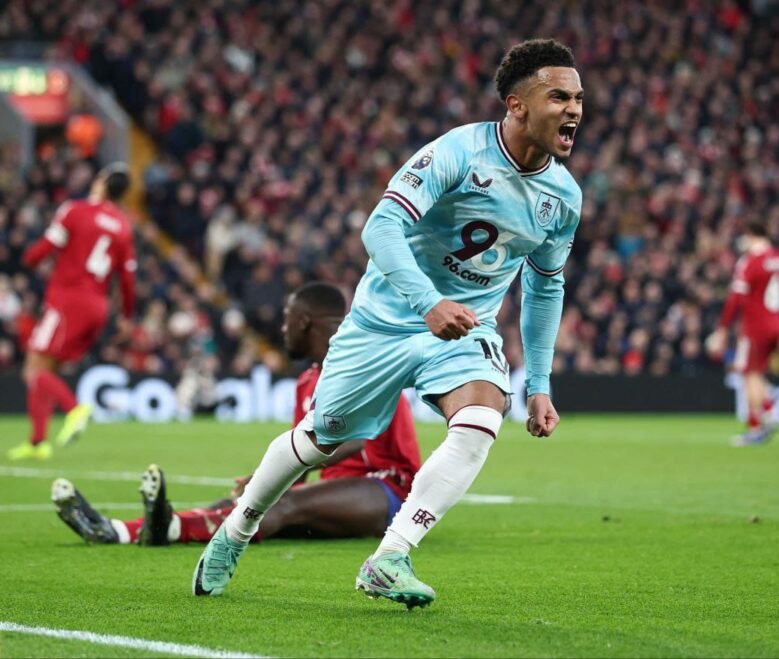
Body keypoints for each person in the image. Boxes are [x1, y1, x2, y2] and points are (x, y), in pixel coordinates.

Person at [191, 38, 583, 608]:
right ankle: (238, 528)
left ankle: (391, 556)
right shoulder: (459, 153)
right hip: (383, 324)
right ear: (517, 105)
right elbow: (379, 227)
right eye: (559, 97)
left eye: (577, 98)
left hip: (465, 329)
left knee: (481, 417)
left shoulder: (564, 197)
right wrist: (428, 303)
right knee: (319, 440)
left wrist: (540, 383)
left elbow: (545, 286)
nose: (573, 109)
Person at [51, 282, 421, 545]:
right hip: (338, 493)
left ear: (304, 322)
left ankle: (169, 528)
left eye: (287, 319)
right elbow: (301, 459)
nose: (282, 329)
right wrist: (266, 483)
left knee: (280, 502)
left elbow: (356, 439)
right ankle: (118, 531)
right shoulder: (307, 381)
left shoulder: (365, 364)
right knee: (254, 502)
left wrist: (274, 474)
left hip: (388, 489)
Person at [8, 163, 136, 461]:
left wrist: (24, 260)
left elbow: (45, 247)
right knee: (46, 369)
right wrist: (127, 317)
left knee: (33, 369)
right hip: (97, 307)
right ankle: (38, 442)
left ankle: (74, 409)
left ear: (102, 183)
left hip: (67, 301)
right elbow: (127, 280)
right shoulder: (123, 226)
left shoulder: (75, 210)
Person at [707, 222, 779, 446]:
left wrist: (723, 328)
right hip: (776, 322)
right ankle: (770, 410)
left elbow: (736, 297)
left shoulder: (750, 261)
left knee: (749, 374)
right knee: (758, 372)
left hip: (755, 325)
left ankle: (756, 426)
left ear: (752, 235)